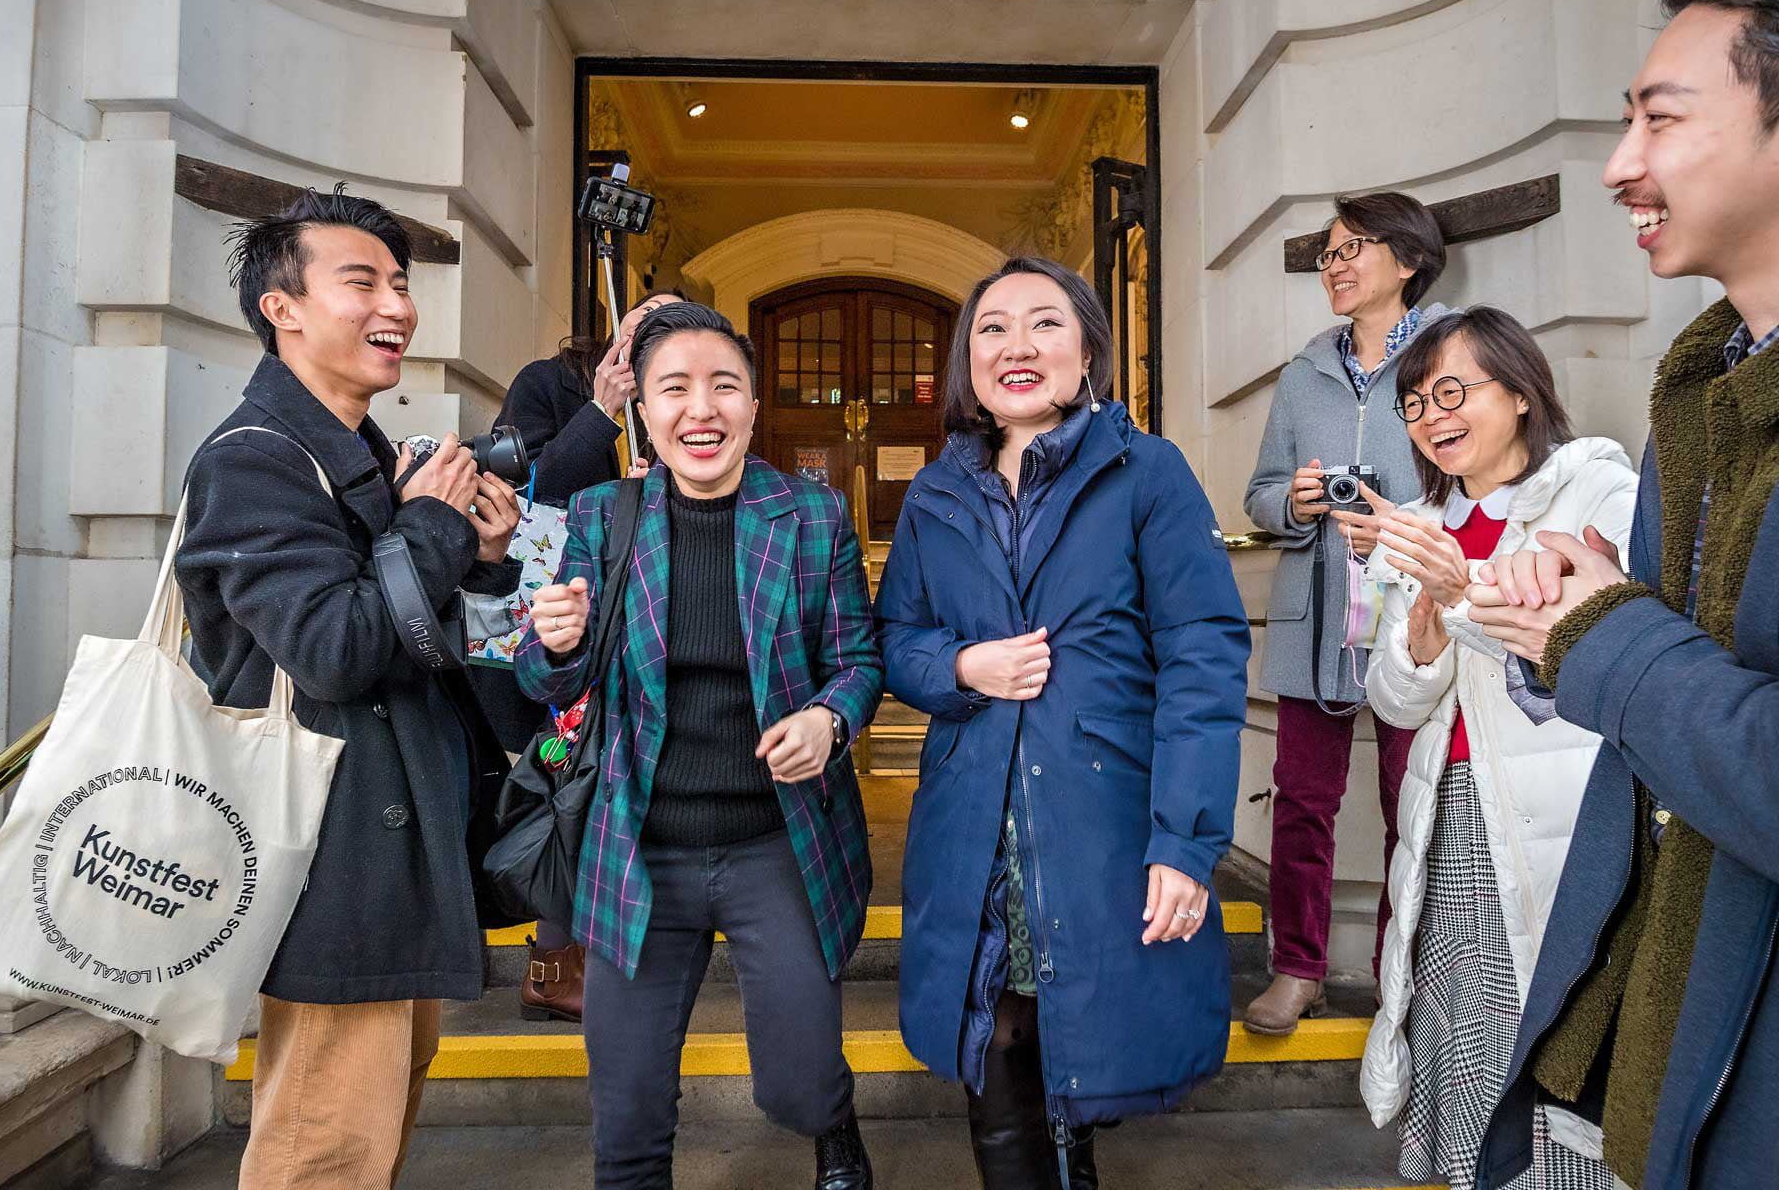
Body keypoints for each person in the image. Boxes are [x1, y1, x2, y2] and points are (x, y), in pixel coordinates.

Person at [1469, 0, 1779, 1187]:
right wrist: (1571, 615)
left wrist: (1602, 631)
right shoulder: (1698, 398)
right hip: (1675, 1064)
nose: (1618, 165)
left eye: (1660, 118)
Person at [875, 256, 1250, 1189]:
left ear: (1088, 351)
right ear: (968, 362)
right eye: (992, 328)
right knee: (993, 1040)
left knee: (1068, 1037)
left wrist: (1186, 842)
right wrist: (962, 666)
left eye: (1045, 324)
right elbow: (896, 639)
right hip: (975, 822)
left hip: (1100, 820)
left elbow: (1203, 656)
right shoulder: (934, 491)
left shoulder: (1148, 472)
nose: (1017, 346)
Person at [175, 187, 521, 1189]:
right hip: (336, 866)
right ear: (280, 305)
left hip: (388, 853)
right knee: (325, 1148)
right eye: (361, 281)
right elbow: (332, 649)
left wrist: (481, 555)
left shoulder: (355, 459)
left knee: (364, 1133)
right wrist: (439, 529)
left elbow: (414, 639)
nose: (397, 308)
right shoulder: (256, 463)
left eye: (402, 284)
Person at [514, 302, 884, 1190]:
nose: (701, 409)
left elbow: (859, 661)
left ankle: (832, 1124)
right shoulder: (602, 517)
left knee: (798, 1084)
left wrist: (829, 721)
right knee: (629, 1115)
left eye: (725, 386)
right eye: (673, 388)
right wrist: (555, 644)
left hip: (777, 842)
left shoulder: (811, 514)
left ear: (755, 406)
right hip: (638, 843)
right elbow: (545, 677)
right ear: (640, 409)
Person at [1333, 308, 1636, 1190]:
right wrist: (1424, 632)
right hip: (1451, 807)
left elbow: (1598, 646)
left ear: (1520, 389)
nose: (1432, 415)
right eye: (1415, 401)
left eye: (1453, 390)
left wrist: (1457, 593)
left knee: (1563, 1029)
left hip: (1565, 811)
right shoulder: (1424, 524)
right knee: (1464, 1023)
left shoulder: (1595, 491)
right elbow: (1395, 700)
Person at [1242, 191, 1451, 1035]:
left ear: (1406, 261)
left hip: (1411, 618)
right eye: (1327, 254)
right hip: (1316, 621)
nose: (1333, 265)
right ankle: (1298, 967)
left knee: (1414, 799)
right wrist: (1293, 502)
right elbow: (1259, 495)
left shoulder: (1452, 355)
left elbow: (1483, 483)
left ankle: (1399, 976)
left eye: (1351, 249)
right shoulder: (1302, 374)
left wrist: (1394, 518)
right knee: (1300, 800)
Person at [477, 288, 686, 1026]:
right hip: (564, 624)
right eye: (643, 323)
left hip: (652, 618)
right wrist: (599, 411)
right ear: (616, 330)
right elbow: (515, 496)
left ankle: (611, 960)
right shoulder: (551, 385)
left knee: (627, 791)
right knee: (573, 784)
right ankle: (550, 966)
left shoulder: (688, 399)